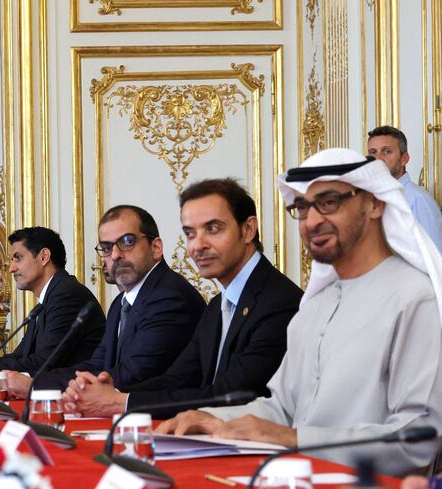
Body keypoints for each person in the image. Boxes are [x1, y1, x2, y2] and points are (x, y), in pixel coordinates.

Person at [156, 148, 442, 475]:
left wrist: (294, 439)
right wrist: (210, 419)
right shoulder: (315, 305)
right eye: (303, 208)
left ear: (374, 203)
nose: (313, 220)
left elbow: (419, 440)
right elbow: (280, 407)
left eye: (329, 202)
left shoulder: (415, 297)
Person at [63, 179, 302, 418]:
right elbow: (178, 378)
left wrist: (120, 403)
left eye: (213, 229)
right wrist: (112, 394)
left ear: (248, 229)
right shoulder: (218, 304)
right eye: (190, 233)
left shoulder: (279, 302)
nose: (198, 245)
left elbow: (230, 394)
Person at [15, 205, 205, 399]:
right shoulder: (119, 304)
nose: (115, 255)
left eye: (127, 241)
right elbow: (97, 363)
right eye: (107, 248)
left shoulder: (169, 297)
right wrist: (37, 381)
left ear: (156, 248)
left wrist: (36, 385)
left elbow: (135, 373)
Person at [0, 227, 106, 380]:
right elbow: (19, 356)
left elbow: (43, 362)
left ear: (44, 257)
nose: (12, 269)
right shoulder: (52, 295)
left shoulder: (67, 295)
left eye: (18, 258)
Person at [367, 126, 442, 251]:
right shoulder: (368, 198)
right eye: (373, 152)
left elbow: (437, 256)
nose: (378, 159)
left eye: (386, 151)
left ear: (404, 159)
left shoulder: (418, 200)